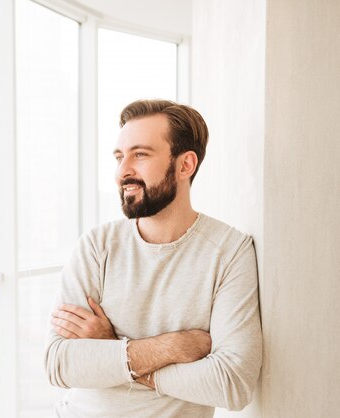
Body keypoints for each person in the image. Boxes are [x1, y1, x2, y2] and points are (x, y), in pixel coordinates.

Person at [45, 99, 262, 418]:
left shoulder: (229, 251)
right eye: (120, 157)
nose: (123, 171)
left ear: (185, 165)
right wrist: (172, 347)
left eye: (140, 155)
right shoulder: (97, 245)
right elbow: (59, 364)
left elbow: (232, 384)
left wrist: (112, 348)